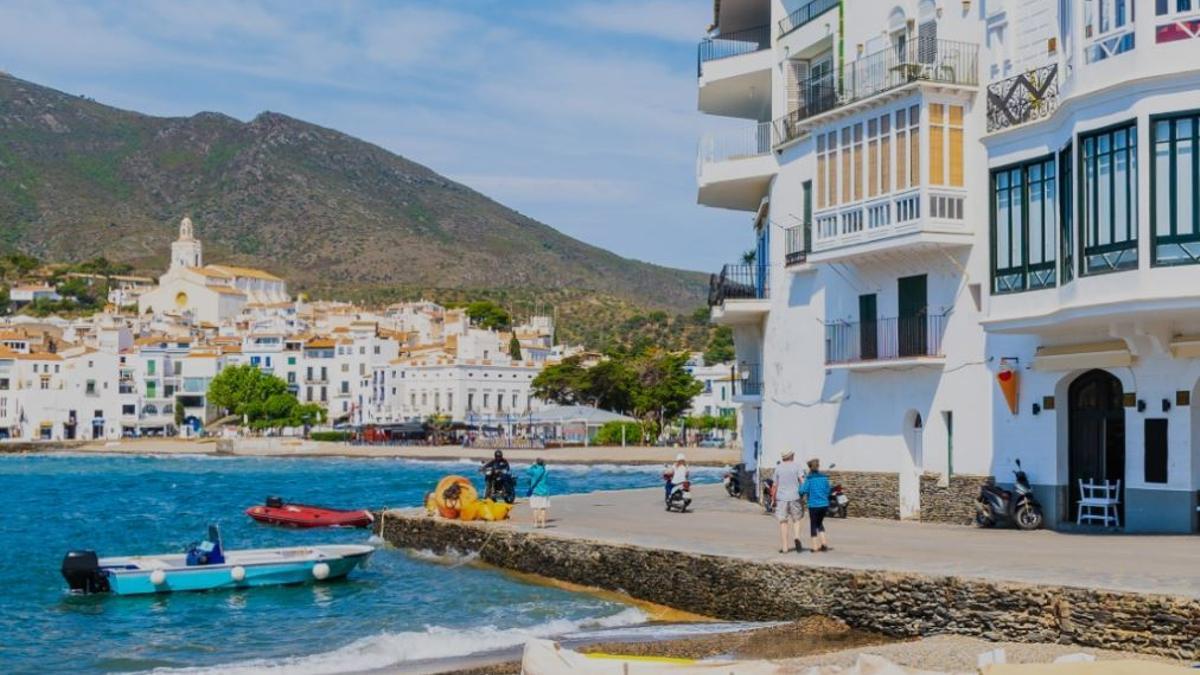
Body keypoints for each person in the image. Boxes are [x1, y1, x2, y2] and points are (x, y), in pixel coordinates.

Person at [771, 451, 805, 554]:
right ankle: (797, 537)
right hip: (795, 496)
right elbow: (802, 481)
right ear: (791, 456)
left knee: (783, 521)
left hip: (781, 498)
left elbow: (774, 485)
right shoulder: (797, 466)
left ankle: (785, 547)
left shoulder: (778, 468)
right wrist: (803, 493)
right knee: (796, 519)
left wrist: (773, 499)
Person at [798, 458, 832, 552]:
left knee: (813, 524)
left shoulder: (809, 479)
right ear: (818, 466)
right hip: (824, 504)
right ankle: (824, 544)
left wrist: (801, 484)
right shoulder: (824, 478)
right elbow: (828, 490)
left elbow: (802, 491)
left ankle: (814, 547)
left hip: (814, 505)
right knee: (819, 523)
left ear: (809, 467)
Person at [526, 458, 550, 528]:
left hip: (535, 492)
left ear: (536, 463)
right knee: (543, 509)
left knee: (535, 509)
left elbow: (527, 472)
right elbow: (544, 469)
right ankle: (543, 524)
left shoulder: (534, 471)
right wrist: (543, 466)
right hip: (544, 492)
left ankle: (535, 524)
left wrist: (533, 466)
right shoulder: (545, 471)